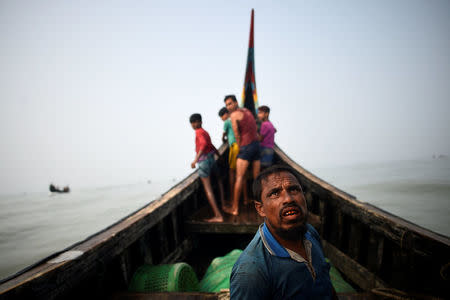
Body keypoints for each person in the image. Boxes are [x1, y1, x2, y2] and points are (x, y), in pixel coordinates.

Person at [230, 165, 336, 299]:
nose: (288, 199)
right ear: (260, 208)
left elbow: (326, 284)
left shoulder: (310, 233)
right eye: (275, 193)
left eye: (294, 189)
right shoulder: (251, 272)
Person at [223, 95, 260, 216]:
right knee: (257, 179)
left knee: (239, 177)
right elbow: (254, 127)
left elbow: (237, 134)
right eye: (227, 105)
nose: (228, 107)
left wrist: (240, 148)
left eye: (229, 104)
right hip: (256, 146)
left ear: (235, 102)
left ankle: (235, 209)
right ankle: (261, 207)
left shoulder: (233, 115)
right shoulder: (247, 111)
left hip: (246, 147)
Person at [189, 113, 224, 222]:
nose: (194, 124)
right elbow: (211, 145)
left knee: (208, 189)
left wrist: (195, 160)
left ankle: (218, 215)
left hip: (204, 161)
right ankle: (223, 204)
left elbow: (204, 145)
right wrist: (219, 155)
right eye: (193, 122)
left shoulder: (198, 132)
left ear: (200, 122)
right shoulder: (205, 132)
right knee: (219, 180)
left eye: (195, 122)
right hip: (211, 159)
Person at [219, 107, 249, 206]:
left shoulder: (227, 121)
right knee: (242, 173)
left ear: (225, 114)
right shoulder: (237, 119)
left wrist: (223, 138)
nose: (222, 119)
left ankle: (232, 198)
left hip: (234, 147)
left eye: (221, 117)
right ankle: (245, 198)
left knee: (232, 172)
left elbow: (224, 134)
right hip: (243, 146)